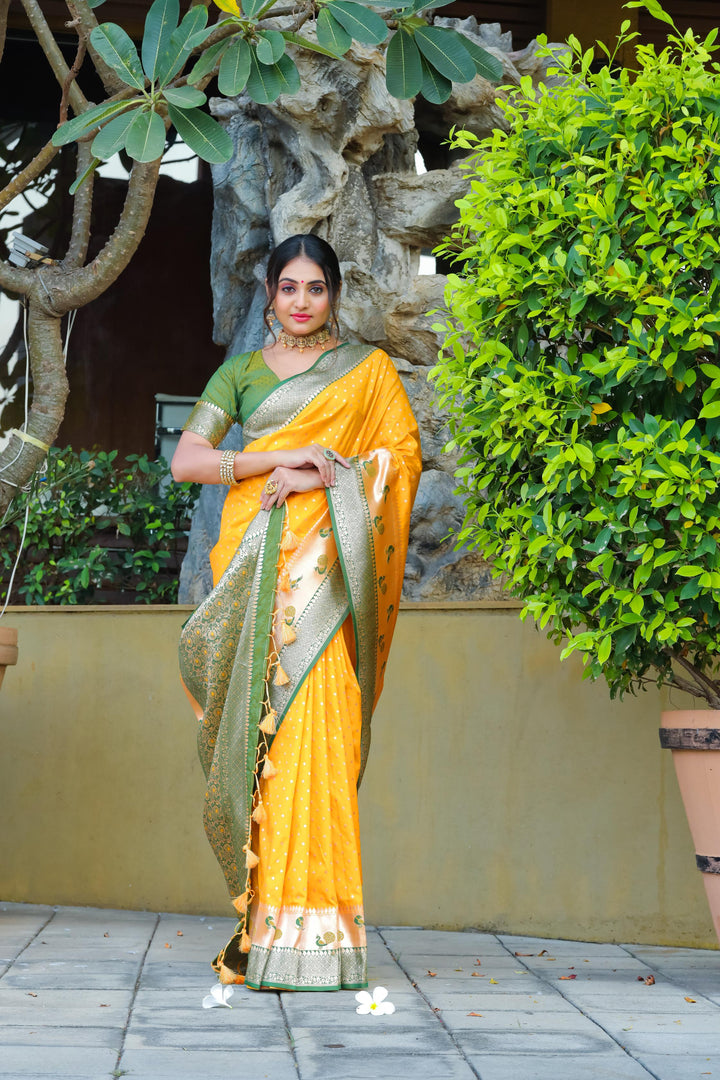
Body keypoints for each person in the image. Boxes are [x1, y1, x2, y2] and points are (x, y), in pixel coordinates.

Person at [172, 234, 421, 992]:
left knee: (317, 727)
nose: (303, 302)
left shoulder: (368, 374)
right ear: (271, 294)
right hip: (253, 562)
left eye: (316, 288)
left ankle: (318, 935)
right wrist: (276, 463)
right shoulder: (241, 373)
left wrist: (330, 471)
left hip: (327, 577)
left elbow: (401, 459)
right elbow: (187, 461)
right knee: (258, 741)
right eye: (289, 288)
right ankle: (263, 925)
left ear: (334, 294)